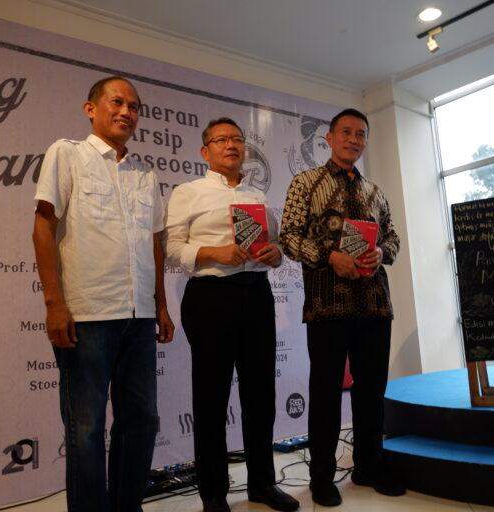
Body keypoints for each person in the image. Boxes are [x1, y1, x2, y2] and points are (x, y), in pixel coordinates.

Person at [32, 76, 174, 512]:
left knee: (141, 422)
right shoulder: (67, 154)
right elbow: (43, 227)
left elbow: (154, 244)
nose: (127, 111)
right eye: (117, 102)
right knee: (86, 429)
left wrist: (161, 305)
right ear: (90, 109)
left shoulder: (146, 175)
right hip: (88, 316)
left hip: (139, 318)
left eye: (134, 106)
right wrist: (55, 304)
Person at [165, 118, 300, 512]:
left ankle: (262, 484)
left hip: (257, 293)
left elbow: (273, 245)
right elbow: (171, 249)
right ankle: (213, 494)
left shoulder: (257, 196)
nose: (231, 145)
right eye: (221, 139)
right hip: (210, 296)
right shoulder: (188, 192)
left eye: (237, 139)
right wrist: (214, 252)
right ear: (205, 151)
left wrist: (276, 254)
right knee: (211, 398)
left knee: (261, 395)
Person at [280, 108, 404, 506]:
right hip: (326, 305)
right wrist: (329, 256)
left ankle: (369, 465)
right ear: (329, 138)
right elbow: (288, 237)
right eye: (346, 132)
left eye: (360, 134)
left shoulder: (375, 192)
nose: (353, 139)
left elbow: (394, 240)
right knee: (326, 393)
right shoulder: (305, 183)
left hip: (374, 305)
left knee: (372, 391)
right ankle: (321, 477)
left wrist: (381, 252)